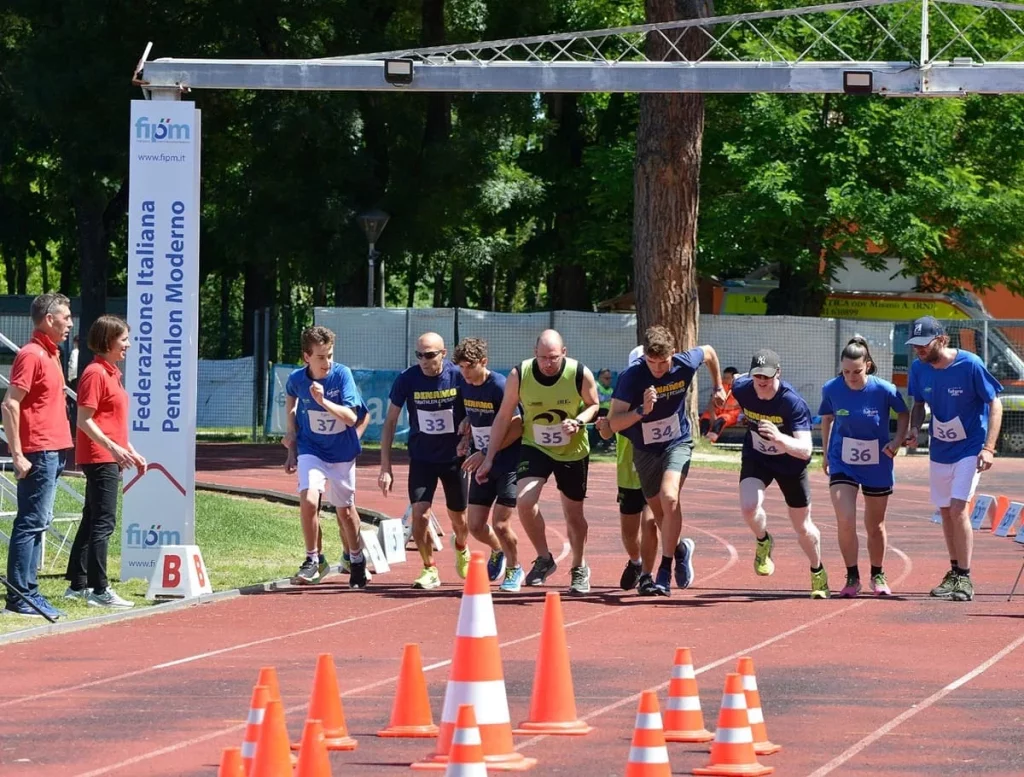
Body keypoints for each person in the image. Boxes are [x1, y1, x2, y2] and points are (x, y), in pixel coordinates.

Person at [477, 329, 600, 595]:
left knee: (573, 514)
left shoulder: (579, 373)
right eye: (543, 357)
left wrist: (578, 421)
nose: (548, 363)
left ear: (564, 353)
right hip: (536, 446)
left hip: (572, 450)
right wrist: (489, 457)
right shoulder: (519, 374)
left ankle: (579, 566)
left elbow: (594, 405)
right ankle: (544, 557)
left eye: (553, 358)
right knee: (525, 502)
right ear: (535, 354)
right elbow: (503, 417)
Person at [606, 326, 725, 596]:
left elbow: (708, 352)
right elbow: (613, 423)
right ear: (644, 357)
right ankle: (681, 549)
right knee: (659, 515)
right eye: (652, 362)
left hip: (677, 441)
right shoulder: (632, 377)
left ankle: (664, 570)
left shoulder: (684, 363)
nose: (658, 369)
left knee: (669, 497)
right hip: (645, 450)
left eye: (664, 362)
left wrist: (718, 387)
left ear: (674, 353)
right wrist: (641, 410)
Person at [904, 316, 1003, 602]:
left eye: (924, 344)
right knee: (946, 511)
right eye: (915, 345)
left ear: (941, 340)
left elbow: (994, 403)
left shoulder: (970, 364)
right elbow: (918, 404)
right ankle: (955, 571)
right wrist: (914, 428)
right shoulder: (918, 368)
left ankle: (966, 577)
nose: (919, 350)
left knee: (959, 508)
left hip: (970, 447)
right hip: (940, 448)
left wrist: (989, 448)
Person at [731, 348, 830, 599]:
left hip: (790, 463)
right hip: (758, 457)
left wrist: (779, 438)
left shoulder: (792, 403)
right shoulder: (742, 388)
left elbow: (806, 450)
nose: (762, 381)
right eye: (757, 375)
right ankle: (763, 540)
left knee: (802, 526)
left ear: (778, 373)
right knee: (748, 506)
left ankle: (817, 570)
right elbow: (736, 381)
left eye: (767, 375)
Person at [63, 316, 146, 608]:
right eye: (124, 339)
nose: (128, 344)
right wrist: (113, 449)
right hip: (100, 458)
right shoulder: (95, 373)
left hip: (108, 454)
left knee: (92, 519)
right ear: (108, 341)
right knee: (104, 522)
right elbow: (84, 420)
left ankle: (78, 584)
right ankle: (100, 589)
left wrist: (130, 450)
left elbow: (111, 421)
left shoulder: (111, 373)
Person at [1, 293, 74, 618]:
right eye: (66, 317)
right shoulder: (31, 354)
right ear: (48, 319)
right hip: (39, 451)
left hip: (53, 450)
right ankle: (21, 596)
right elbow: (10, 404)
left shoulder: (51, 354)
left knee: (39, 522)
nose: (70, 323)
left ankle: (28, 592)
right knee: (30, 522)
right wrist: (18, 454)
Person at [819, 336, 909, 598]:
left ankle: (877, 574)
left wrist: (897, 441)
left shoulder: (884, 389)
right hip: (843, 461)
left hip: (877, 461)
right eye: (846, 372)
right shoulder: (832, 388)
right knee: (845, 518)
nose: (851, 377)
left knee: (875, 525)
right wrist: (825, 453)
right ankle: (852, 576)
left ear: (867, 365)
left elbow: (903, 413)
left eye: (856, 371)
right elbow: (827, 418)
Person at [379, 332, 471, 590]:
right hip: (422, 458)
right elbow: (390, 422)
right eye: (419, 355)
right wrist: (385, 468)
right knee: (420, 514)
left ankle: (461, 546)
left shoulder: (458, 376)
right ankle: (429, 568)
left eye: (430, 355)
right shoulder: (407, 379)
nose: (424, 361)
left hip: (455, 458)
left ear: (443, 353)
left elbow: (477, 410)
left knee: (460, 519)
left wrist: (468, 427)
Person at [283, 326, 370, 588]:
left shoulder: (342, 375)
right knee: (309, 499)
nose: (327, 362)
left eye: (330, 355)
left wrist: (323, 402)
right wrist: (291, 438)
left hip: (341, 453)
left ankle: (356, 558)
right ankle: (313, 559)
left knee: (345, 512)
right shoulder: (297, 379)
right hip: (312, 449)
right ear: (306, 357)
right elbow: (291, 398)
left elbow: (352, 417)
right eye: (320, 357)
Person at [453, 338, 524, 591]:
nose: (465, 372)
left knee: (501, 524)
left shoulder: (500, 386)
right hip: (483, 462)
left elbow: (517, 426)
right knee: (474, 526)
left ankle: (515, 569)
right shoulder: (465, 384)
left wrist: (485, 452)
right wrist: (466, 437)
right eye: (461, 367)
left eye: (470, 366)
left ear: (484, 362)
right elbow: (473, 418)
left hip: (508, 463)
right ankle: (498, 550)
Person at [595, 345, 660, 593]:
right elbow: (607, 431)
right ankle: (636, 562)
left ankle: (647, 576)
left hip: (653, 467)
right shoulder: (622, 396)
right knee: (629, 533)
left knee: (650, 523)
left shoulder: (662, 394)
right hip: (628, 472)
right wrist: (604, 425)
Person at [700, 367, 742, 443]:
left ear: (734, 378)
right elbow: (711, 403)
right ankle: (701, 439)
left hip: (730, 414)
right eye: (724, 377)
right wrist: (712, 415)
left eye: (727, 378)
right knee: (705, 419)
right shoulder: (719, 388)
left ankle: (709, 441)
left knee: (720, 421)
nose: (724, 380)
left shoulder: (739, 388)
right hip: (716, 412)